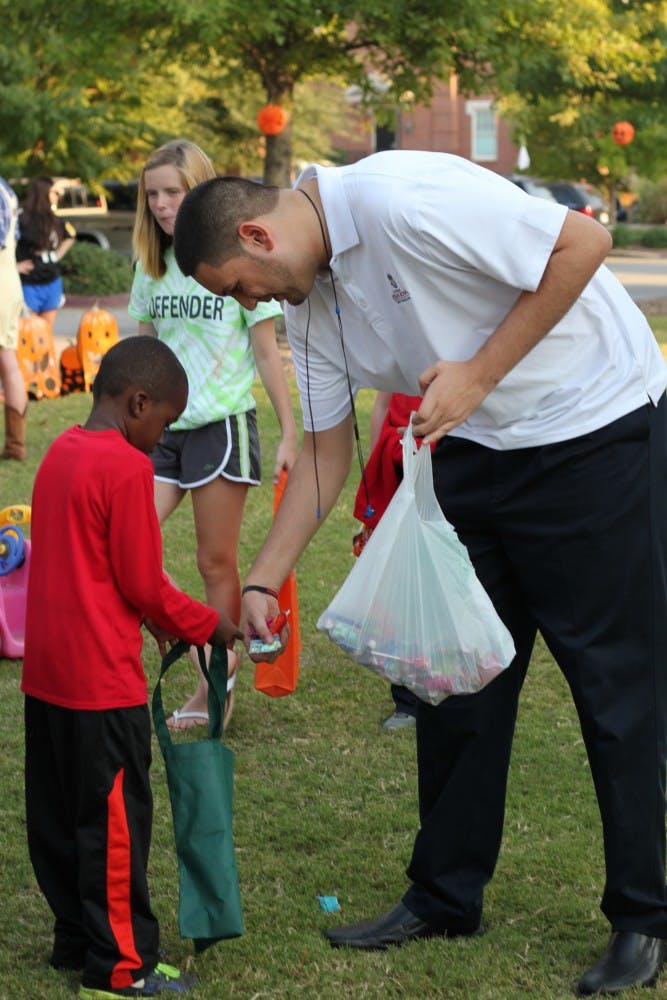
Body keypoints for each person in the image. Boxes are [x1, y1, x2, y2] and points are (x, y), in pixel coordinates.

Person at [172, 151, 667, 996]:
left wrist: (478, 373)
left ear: (258, 233)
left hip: (593, 433)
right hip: (471, 450)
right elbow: (327, 457)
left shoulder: (401, 199)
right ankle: (444, 894)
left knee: (613, 688)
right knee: (453, 679)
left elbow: (582, 243)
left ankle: (642, 917)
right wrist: (261, 581)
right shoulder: (311, 294)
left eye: (242, 286)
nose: (251, 304)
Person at [21, 336, 243, 998]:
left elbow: (94, 567)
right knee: (114, 828)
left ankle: (75, 940)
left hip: (47, 685)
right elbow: (145, 586)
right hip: (100, 692)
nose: (162, 437)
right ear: (137, 401)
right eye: (165, 423)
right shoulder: (125, 468)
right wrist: (213, 626)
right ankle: (123, 964)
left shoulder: (59, 451)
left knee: (59, 821)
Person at [129, 139, 297, 730]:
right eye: (152, 195)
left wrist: (289, 433)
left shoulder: (232, 258)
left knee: (214, 561)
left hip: (222, 425)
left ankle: (214, 685)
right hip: (164, 433)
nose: (161, 205)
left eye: (172, 192)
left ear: (196, 190)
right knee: (128, 538)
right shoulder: (149, 267)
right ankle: (198, 651)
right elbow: (144, 355)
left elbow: (268, 354)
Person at [352, 390, 422, 730]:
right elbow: (382, 401)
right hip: (397, 461)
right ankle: (407, 698)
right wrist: (376, 475)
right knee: (400, 582)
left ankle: (447, 677)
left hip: (443, 454)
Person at [15, 175, 76, 328]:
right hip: (29, 282)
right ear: (43, 192)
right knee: (30, 330)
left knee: (46, 331)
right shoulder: (22, 218)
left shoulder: (54, 218)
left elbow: (70, 236)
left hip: (51, 279)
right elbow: (7, 245)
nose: (58, 196)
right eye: (54, 192)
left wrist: (56, 255)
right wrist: (14, 267)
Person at [0, 176, 28, 460]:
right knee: (8, 360)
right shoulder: (6, 189)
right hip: (9, 283)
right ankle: (15, 444)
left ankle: (15, 444)